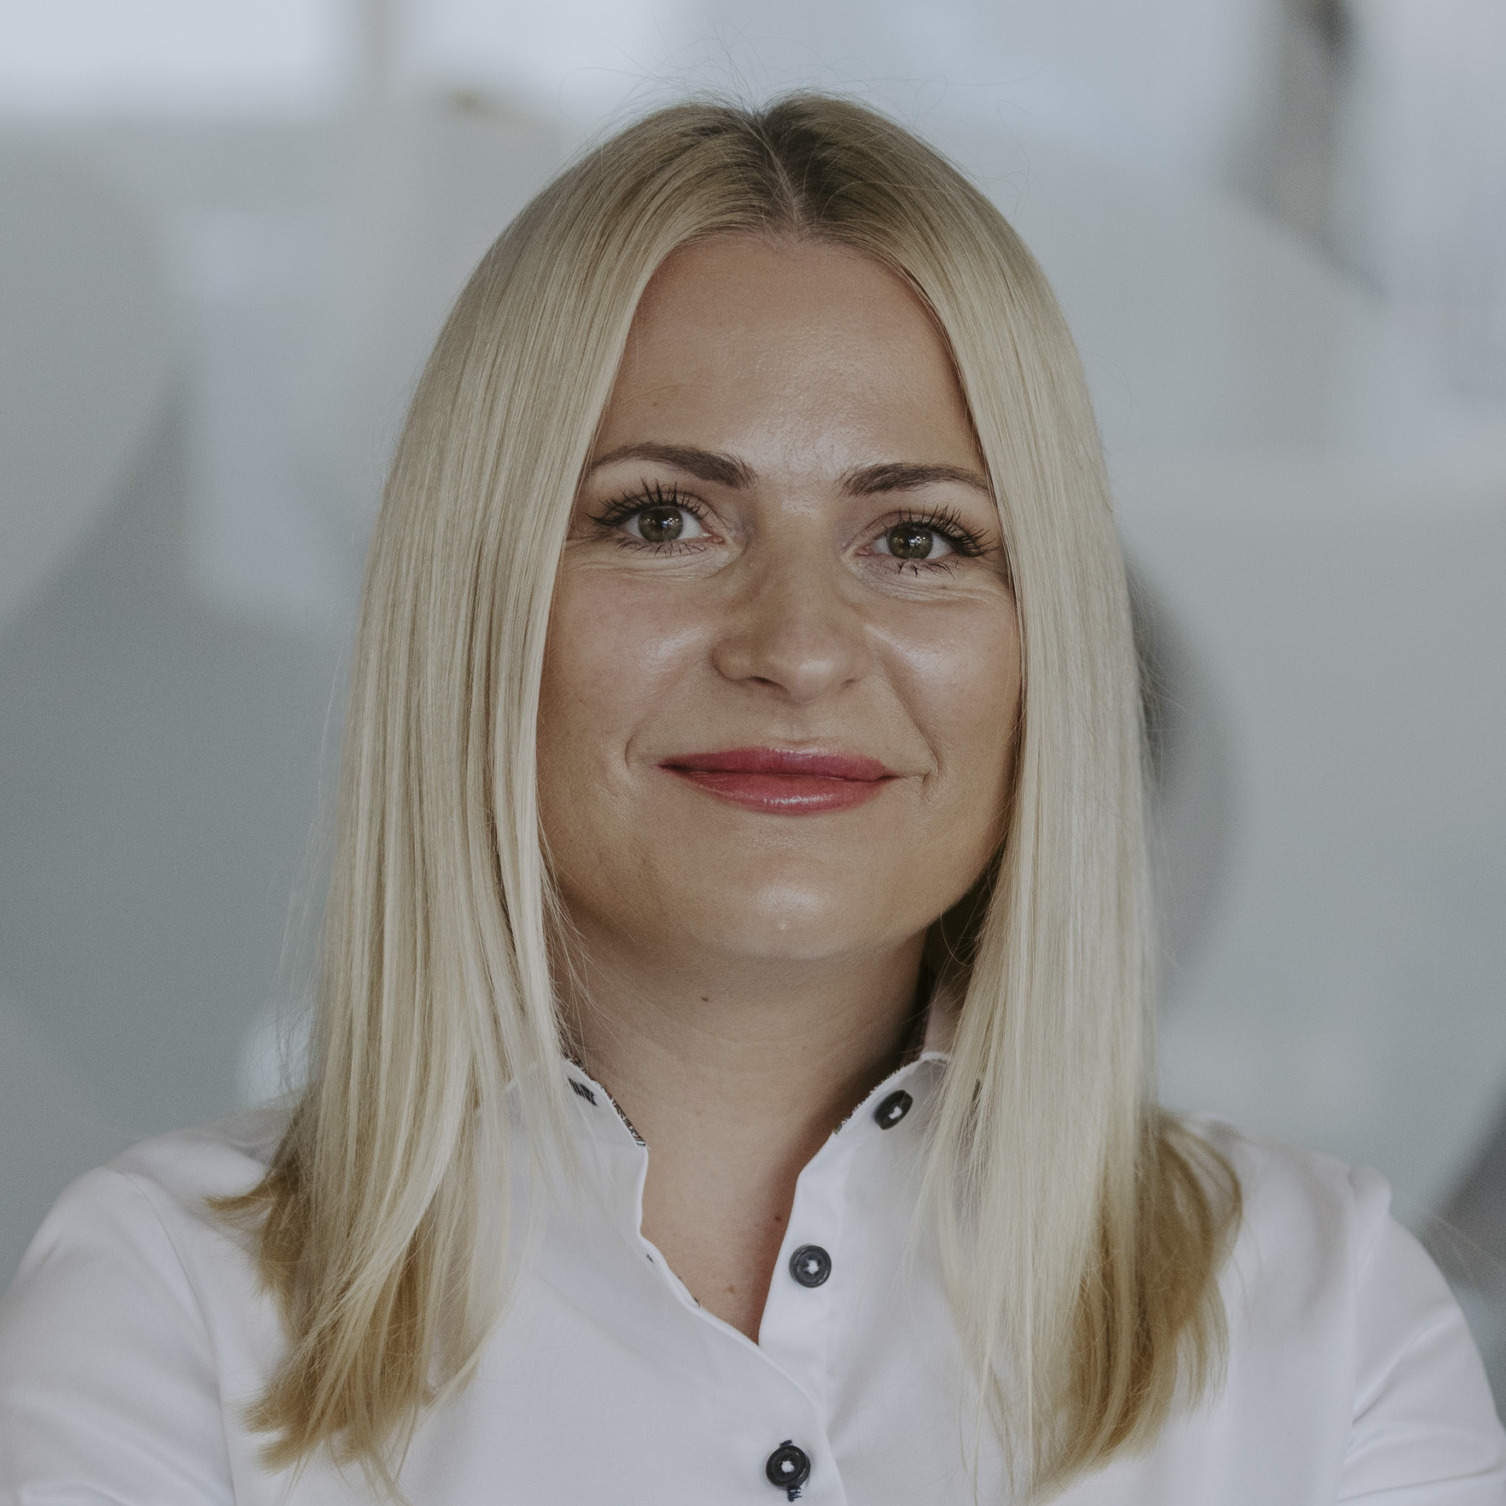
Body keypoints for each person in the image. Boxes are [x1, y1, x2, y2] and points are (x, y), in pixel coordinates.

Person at [0, 94, 1501, 1506]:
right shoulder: (168, 1308)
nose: (796, 646)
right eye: (663, 518)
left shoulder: (1329, 1316)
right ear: (477, 617)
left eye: (918, 539)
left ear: (1042, 646)